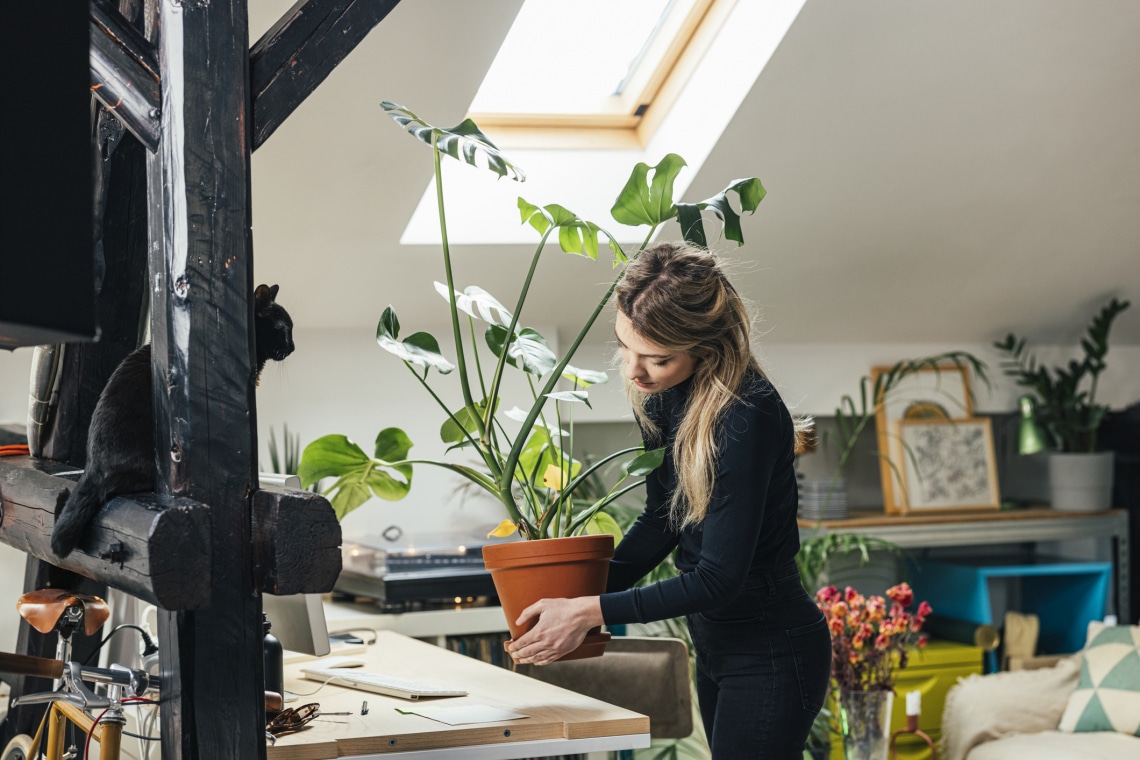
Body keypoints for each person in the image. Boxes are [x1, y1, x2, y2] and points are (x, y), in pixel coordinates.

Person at [505, 242, 832, 758]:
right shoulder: (660, 395)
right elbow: (662, 520)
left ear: (705, 347)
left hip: (771, 649)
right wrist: (564, 606)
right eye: (625, 346)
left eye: (657, 358)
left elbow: (718, 578)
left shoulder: (746, 413)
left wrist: (587, 610)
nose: (635, 371)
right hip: (715, 644)